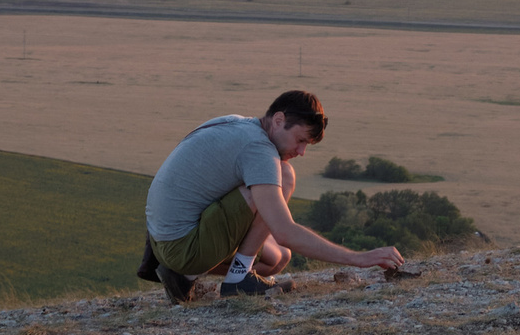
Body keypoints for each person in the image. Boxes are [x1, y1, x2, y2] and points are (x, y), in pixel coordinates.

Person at [136, 88, 406, 303]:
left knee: (276, 259)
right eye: (300, 140)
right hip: (182, 244)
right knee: (283, 176)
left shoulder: (235, 123)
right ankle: (235, 281)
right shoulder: (259, 149)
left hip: (164, 241)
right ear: (279, 120)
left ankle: (184, 274)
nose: (301, 152)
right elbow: (285, 230)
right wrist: (359, 258)